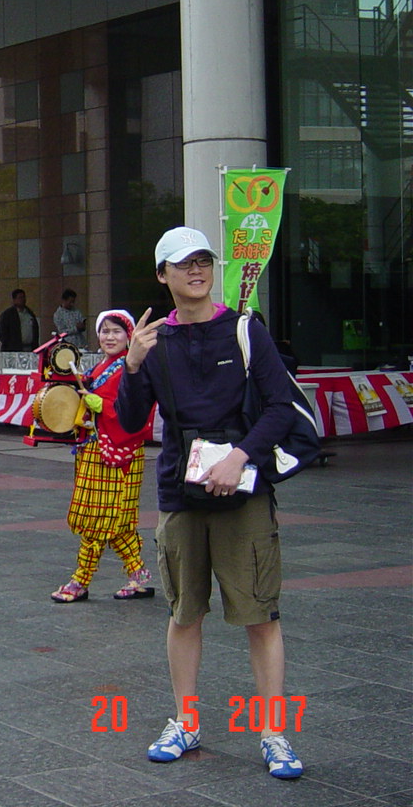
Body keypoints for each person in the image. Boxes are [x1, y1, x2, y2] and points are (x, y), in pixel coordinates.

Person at [116, 226, 305, 780]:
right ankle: (186, 721)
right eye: (184, 263)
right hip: (181, 494)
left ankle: (273, 732)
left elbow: (281, 407)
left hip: (244, 493)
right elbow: (130, 422)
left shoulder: (245, 330)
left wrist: (240, 457)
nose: (197, 270)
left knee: (260, 615)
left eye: (203, 260)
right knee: (184, 613)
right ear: (162, 275)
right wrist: (132, 366)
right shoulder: (154, 342)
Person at [51, 309, 154, 603]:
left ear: (129, 335)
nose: (110, 337)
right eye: (104, 331)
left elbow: (138, 412)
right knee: (117, 522)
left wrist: (103, 407)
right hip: (99, 449)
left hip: (118, 452)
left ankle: (80, 581)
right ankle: (139, 577)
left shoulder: (133, 368)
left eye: (116, 331)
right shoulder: (103, 366)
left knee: (98, 519)